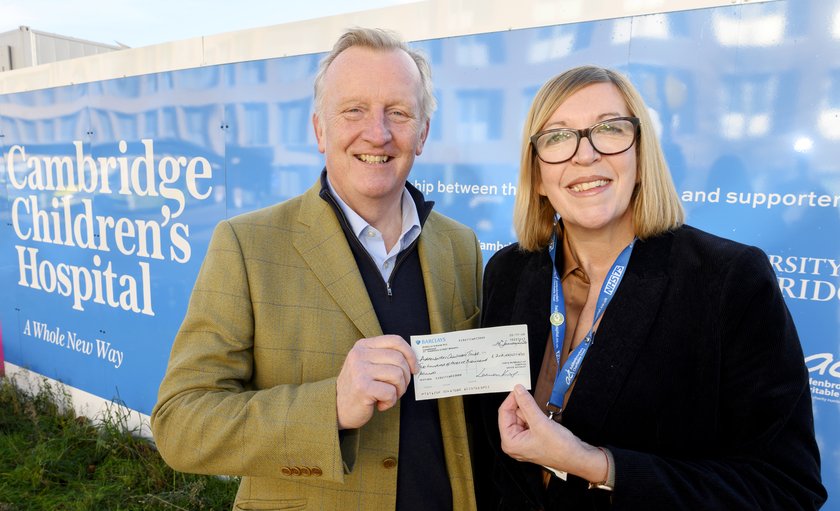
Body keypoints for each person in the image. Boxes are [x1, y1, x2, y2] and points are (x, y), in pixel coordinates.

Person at [151, 28, 482, 511]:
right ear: (320, 130)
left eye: (399, 112)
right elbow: (180, 424)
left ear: (423, 133)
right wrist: (330, 407)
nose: (378, 132)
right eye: (354, 110)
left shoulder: (460, 247)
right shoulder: (246, 246)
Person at [469, 65, 827, 510]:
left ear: (641, 157)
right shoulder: (509, 270)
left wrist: (597, 464)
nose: (585, 156)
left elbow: (785, 488)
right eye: (558, 137)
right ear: (538, 175)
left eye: (610, 129)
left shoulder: (729, 280)